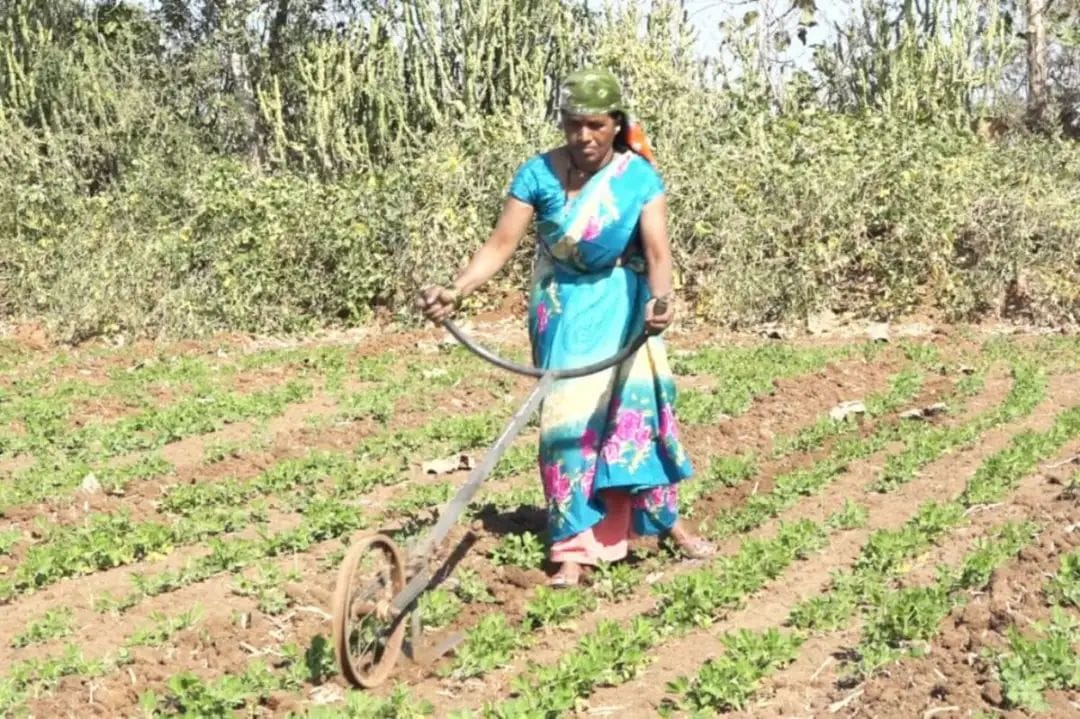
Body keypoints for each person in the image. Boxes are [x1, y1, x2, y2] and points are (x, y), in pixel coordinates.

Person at [419, 67, 714, 587]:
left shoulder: (638, 178)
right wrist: (457, 289)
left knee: (633, 416)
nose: (583, 137)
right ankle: (572, 545)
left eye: (595, 125)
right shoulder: (537, 173)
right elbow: (499, 245)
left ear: (616, 124)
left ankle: (665, 521)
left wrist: (661, 300)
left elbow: (658, 252)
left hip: (624, 300)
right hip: (561, 303)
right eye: (573, 124)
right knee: (566, 422)